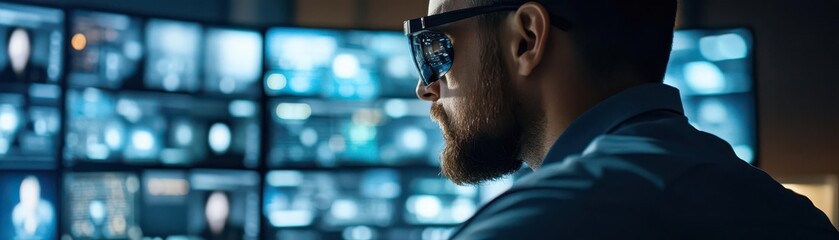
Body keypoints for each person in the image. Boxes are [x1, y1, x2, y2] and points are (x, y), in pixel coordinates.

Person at [403, 0, 839, 238]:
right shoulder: (798, 217)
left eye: (435, 46)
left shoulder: (534, 225)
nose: (426, 87)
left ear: (527, 39)